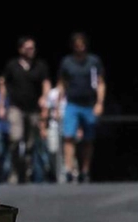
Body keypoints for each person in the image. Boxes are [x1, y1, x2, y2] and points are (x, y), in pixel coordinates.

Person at [0, 37, 52, 184]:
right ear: (21, 49)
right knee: (15, 138)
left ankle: (26, 172)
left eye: (33, 48)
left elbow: (46, 82)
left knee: (30, 143)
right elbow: (2, 83)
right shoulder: (12, 65)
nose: (31, 51)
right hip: (16, 107)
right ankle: (15, 170)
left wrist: (44, 97)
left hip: (33, 109)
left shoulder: (40, 66)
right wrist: (1, 105)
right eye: (28, 48)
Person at [57, 32, 105, 183]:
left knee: (88, 139)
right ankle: (70, 170)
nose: (80, 47)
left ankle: (85, 170)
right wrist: (58, 105)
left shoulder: (93, 61)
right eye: (77, 45)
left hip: (89, 104)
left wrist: (99, 103)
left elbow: (101, 83)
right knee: (69, 136)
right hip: (72, 103)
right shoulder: (67, 62)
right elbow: (61, 84)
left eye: (82, 44)